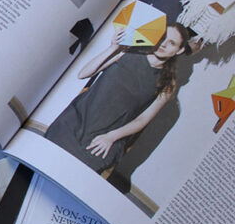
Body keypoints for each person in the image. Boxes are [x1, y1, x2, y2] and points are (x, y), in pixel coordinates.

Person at [44, 23, 189, 180]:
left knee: (75, 174)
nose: (164, 44)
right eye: (163, 37)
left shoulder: (167, 84)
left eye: (172, 43)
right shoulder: (130, 51)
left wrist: (111, 137)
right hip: (77, 119)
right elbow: (84, 73)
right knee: (48, 157)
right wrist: (113, 48)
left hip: (108, 135)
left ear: (179, 50)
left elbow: (142, 120)